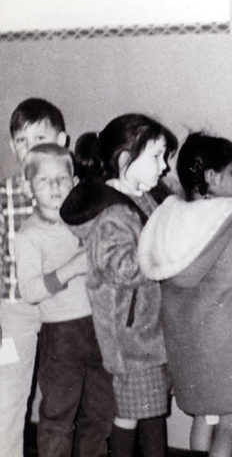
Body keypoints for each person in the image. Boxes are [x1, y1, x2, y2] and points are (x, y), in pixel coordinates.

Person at [59, 114, 177, 457]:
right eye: (156, 156)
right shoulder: (112, 214)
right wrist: (161, 251)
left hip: (146, 334)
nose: (165, 166)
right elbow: (121, 269)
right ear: (125, 160)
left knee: (138, 413)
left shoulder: (141, 198)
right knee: (142, 415)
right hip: (131, 341)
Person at [138, 132, 232, 457]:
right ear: (212, 177)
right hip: (227, 342)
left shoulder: (169, 217)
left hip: (186, 344)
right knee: (228, 420)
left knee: (203, 418)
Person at [14, 144, 114, 456]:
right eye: (44, 180)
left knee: (99, 413)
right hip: (60, 337)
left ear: (74, 182)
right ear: (29, 186)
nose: (55, 186)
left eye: (62, 178)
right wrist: (70, 269)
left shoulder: (86, 221)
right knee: (58, 416)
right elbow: (29, 291)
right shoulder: (28, 235)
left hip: (99, 326)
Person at [0, 98, 68, 457]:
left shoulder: (72, 193)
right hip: (15, 308)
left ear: (62, 140)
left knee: (64, 401)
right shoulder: (5, 193)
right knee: (9, 396)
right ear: (13, 147)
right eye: (22, 141)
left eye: (40, 138)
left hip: (64, 307)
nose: (30, 150)